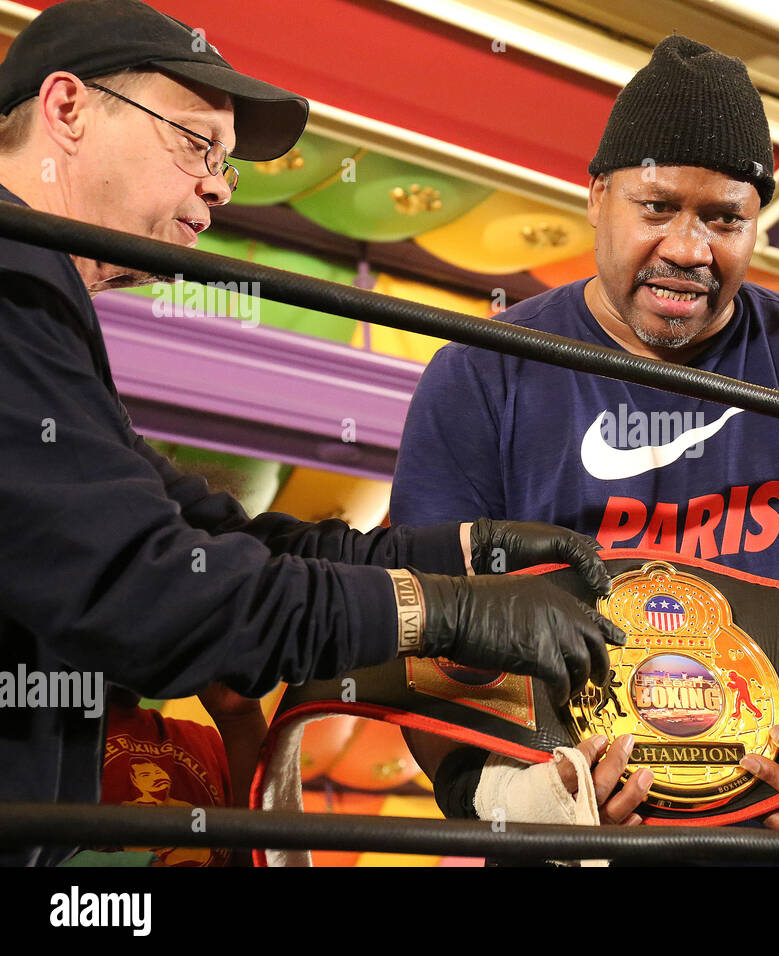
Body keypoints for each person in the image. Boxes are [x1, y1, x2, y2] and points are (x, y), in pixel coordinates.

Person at [0, 0, 622, 867]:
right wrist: (444, 611)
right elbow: (152, 595)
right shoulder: (13, 283)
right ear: (66, 108)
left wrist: (469, 555)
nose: (218, 183)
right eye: (195, 143)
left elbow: (219, 536)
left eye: (226, 163)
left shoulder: (42, 304)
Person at [392, 35, 779, 839]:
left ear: (757, 224)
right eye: (657, 207)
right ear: (597, 196)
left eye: (723, 219)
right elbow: (426, 634)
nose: (687, 250)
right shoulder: (478, 373)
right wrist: (514, 805)